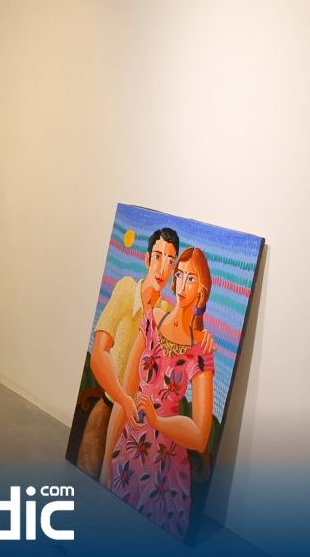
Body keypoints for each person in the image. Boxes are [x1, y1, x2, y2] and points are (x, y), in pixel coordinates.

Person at [103, 247, 216, 540]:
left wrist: (158, 421)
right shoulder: (152, 320)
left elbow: (199, 435)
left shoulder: (201, 350)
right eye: (179, 275)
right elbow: (125, 394)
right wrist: (106, 460)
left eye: (191, 279)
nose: (181, 284)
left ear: (202, 292)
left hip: (165, 464)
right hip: (129, 449)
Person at [76, 228, 179, 483]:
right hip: (107, 411)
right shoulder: (126, 289)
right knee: (85, 483)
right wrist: (124, 398)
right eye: (158, 257)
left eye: (170, 260)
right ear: (147, 259)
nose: (162, 268)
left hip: (137, 429)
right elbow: (99, 354)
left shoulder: (166, 311)